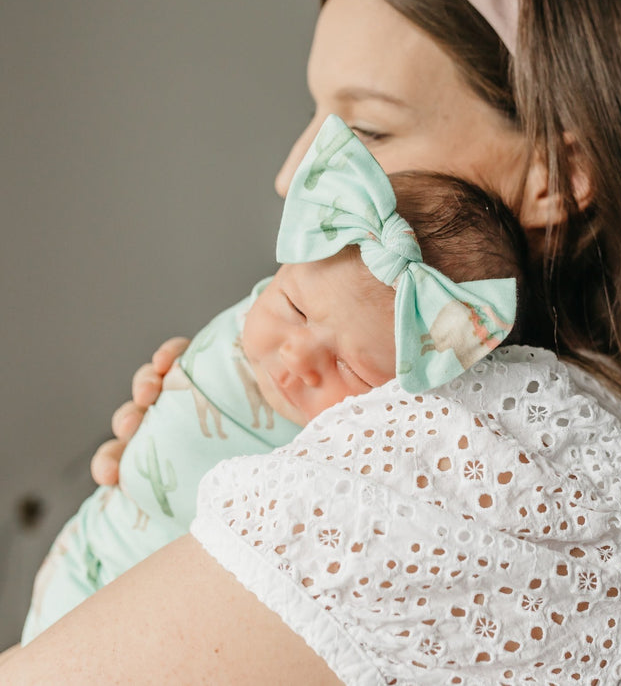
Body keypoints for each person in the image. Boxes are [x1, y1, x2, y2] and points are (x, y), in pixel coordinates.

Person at [3, 0, 621, 683]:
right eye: (317, 118)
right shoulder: (610, 446)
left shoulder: (482, 451)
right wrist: (182, 504)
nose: (295, 176)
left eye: (370, 130)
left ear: (557, 175)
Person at [21, 113, 526, 644]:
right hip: (93, 539)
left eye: (350, 368)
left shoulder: (366, 451)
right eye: (292, 308)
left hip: (157, 615)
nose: (297, 354)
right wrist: (175, 376)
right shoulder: (284, 294)